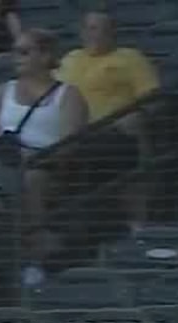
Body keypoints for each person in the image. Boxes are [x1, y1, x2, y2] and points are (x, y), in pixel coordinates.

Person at [0, 28, 85, 286]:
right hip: (2, 165)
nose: (16, 57)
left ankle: (33, 259)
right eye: (15, 51)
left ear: (45, 56)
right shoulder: (1, 91)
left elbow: (70, 144)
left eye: (24, 52)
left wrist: (33, 156)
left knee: (30, 180)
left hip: (47, 168)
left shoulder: (68, 95)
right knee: (0, 184)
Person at [54, 7, 157, 229]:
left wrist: (133, 116)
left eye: (100, 29)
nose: (93, 34)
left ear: (113, 33)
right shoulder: (71, 59)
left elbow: (153, 99)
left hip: (115, 130)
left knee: (132, 131)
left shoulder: (129, 58)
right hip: (73, 133)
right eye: (89, 28)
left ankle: (138, 225)